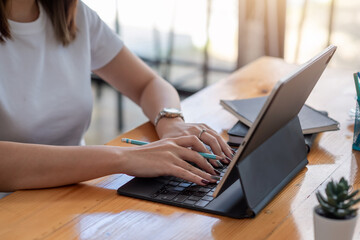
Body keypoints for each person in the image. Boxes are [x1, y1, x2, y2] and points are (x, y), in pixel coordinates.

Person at [0, 0, 233, 194]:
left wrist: (171, 123)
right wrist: (124, 158)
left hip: (71, 196)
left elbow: (147, 84)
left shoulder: (73, 14)